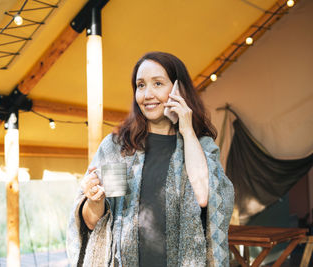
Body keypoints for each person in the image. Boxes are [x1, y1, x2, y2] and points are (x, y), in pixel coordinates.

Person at [66, 51, 234, 267]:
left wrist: (187, 129)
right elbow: (92, 223)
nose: (147, 94)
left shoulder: (200, 146)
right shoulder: (118, 147)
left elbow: (204, 197)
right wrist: (95, 200)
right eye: (141, 85)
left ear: (178, 89)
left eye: (158, 83)